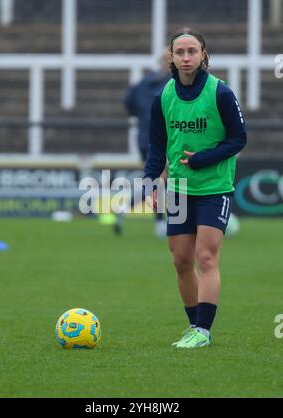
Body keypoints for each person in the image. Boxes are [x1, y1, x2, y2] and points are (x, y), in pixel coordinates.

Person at [144, 28, 247, 348]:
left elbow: (238, 139)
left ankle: (203, 330)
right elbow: (156, 148)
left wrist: (203, 159)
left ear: (204, 55)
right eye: (180, 52)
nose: (186, 58)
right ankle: (194, 328)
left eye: (192, 51)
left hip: (214, 187)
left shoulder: (221, 93)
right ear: (171, 58)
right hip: (178, 190)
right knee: (181, 260)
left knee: (206, 256)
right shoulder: (163, 97)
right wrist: (150, 183)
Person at [113, 49, 171, 237]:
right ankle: (159, 223)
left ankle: (128, 210)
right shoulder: (171, 83)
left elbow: (128, 100)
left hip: (144, 139)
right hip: (163, 139)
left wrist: (139, 115)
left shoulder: (143, 83)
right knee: (160, 180)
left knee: (156, 180)